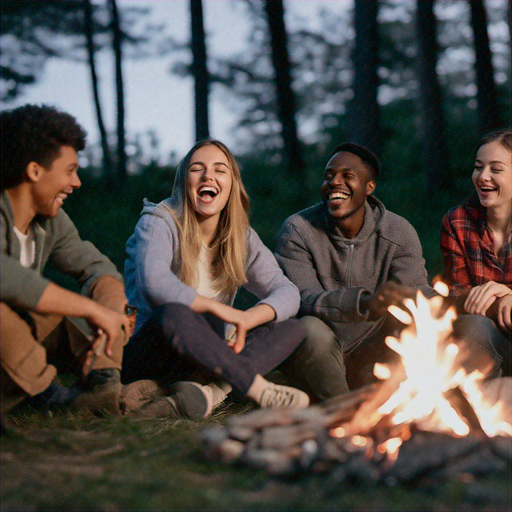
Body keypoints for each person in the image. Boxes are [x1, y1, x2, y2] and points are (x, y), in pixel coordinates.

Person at [121, 139, 309, 419]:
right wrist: (220, 309)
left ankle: (208, 394)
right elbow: (154, 283)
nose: (208, 176)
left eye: (220, 170)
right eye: (198, 169)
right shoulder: (159, 221)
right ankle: (257, 389)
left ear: (232, 183)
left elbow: (287, 292)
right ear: (184, 181)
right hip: (151, 350)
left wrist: (250, 317)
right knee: (176, 313)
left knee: (294, 328)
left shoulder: (241, 237)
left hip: (204, 356)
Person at [0, 104, 131, 423]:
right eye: (70, 170)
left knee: (114, 307)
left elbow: (98, 269)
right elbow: (9, 278)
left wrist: (110, 317)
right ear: (34, 171)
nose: (77, 182)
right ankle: (49, 397)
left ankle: (102, 387)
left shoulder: (52, 222)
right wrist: (91, 310)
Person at [274, 142, 434, 400]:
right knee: (310, 328)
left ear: (370, 187)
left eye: (348, 176)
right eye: (329, 176)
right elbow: (301, 297)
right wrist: (365, 302)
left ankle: (400, 405)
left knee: (418, 325)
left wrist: (447, 299)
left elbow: (415, 292)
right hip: (318, 353)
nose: (335, 182)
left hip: (376, 349)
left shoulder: (398, 231)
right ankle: (343, 412)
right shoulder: (298, 230)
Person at [441, 129, 511, 376]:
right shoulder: (457, 221)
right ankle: (487, 408)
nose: (483, 177)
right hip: (488, 339)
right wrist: (499, 301)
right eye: (478, 167)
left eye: (496, 169)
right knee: (470, 326)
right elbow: (457, 296)